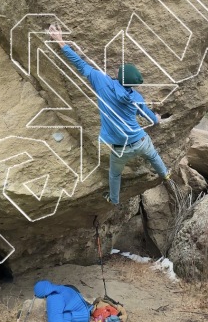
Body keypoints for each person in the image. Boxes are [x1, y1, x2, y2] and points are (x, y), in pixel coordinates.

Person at [48, 24, 171, 204]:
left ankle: (113, 200)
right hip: (141, 141)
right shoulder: (136, 98)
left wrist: (60, 41)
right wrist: (158, 118)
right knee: (153, 156)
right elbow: (151, 118)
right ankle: (165, 175)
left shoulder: (102, 82)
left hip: (122, 149)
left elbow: (80, 64)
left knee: (115, 174)